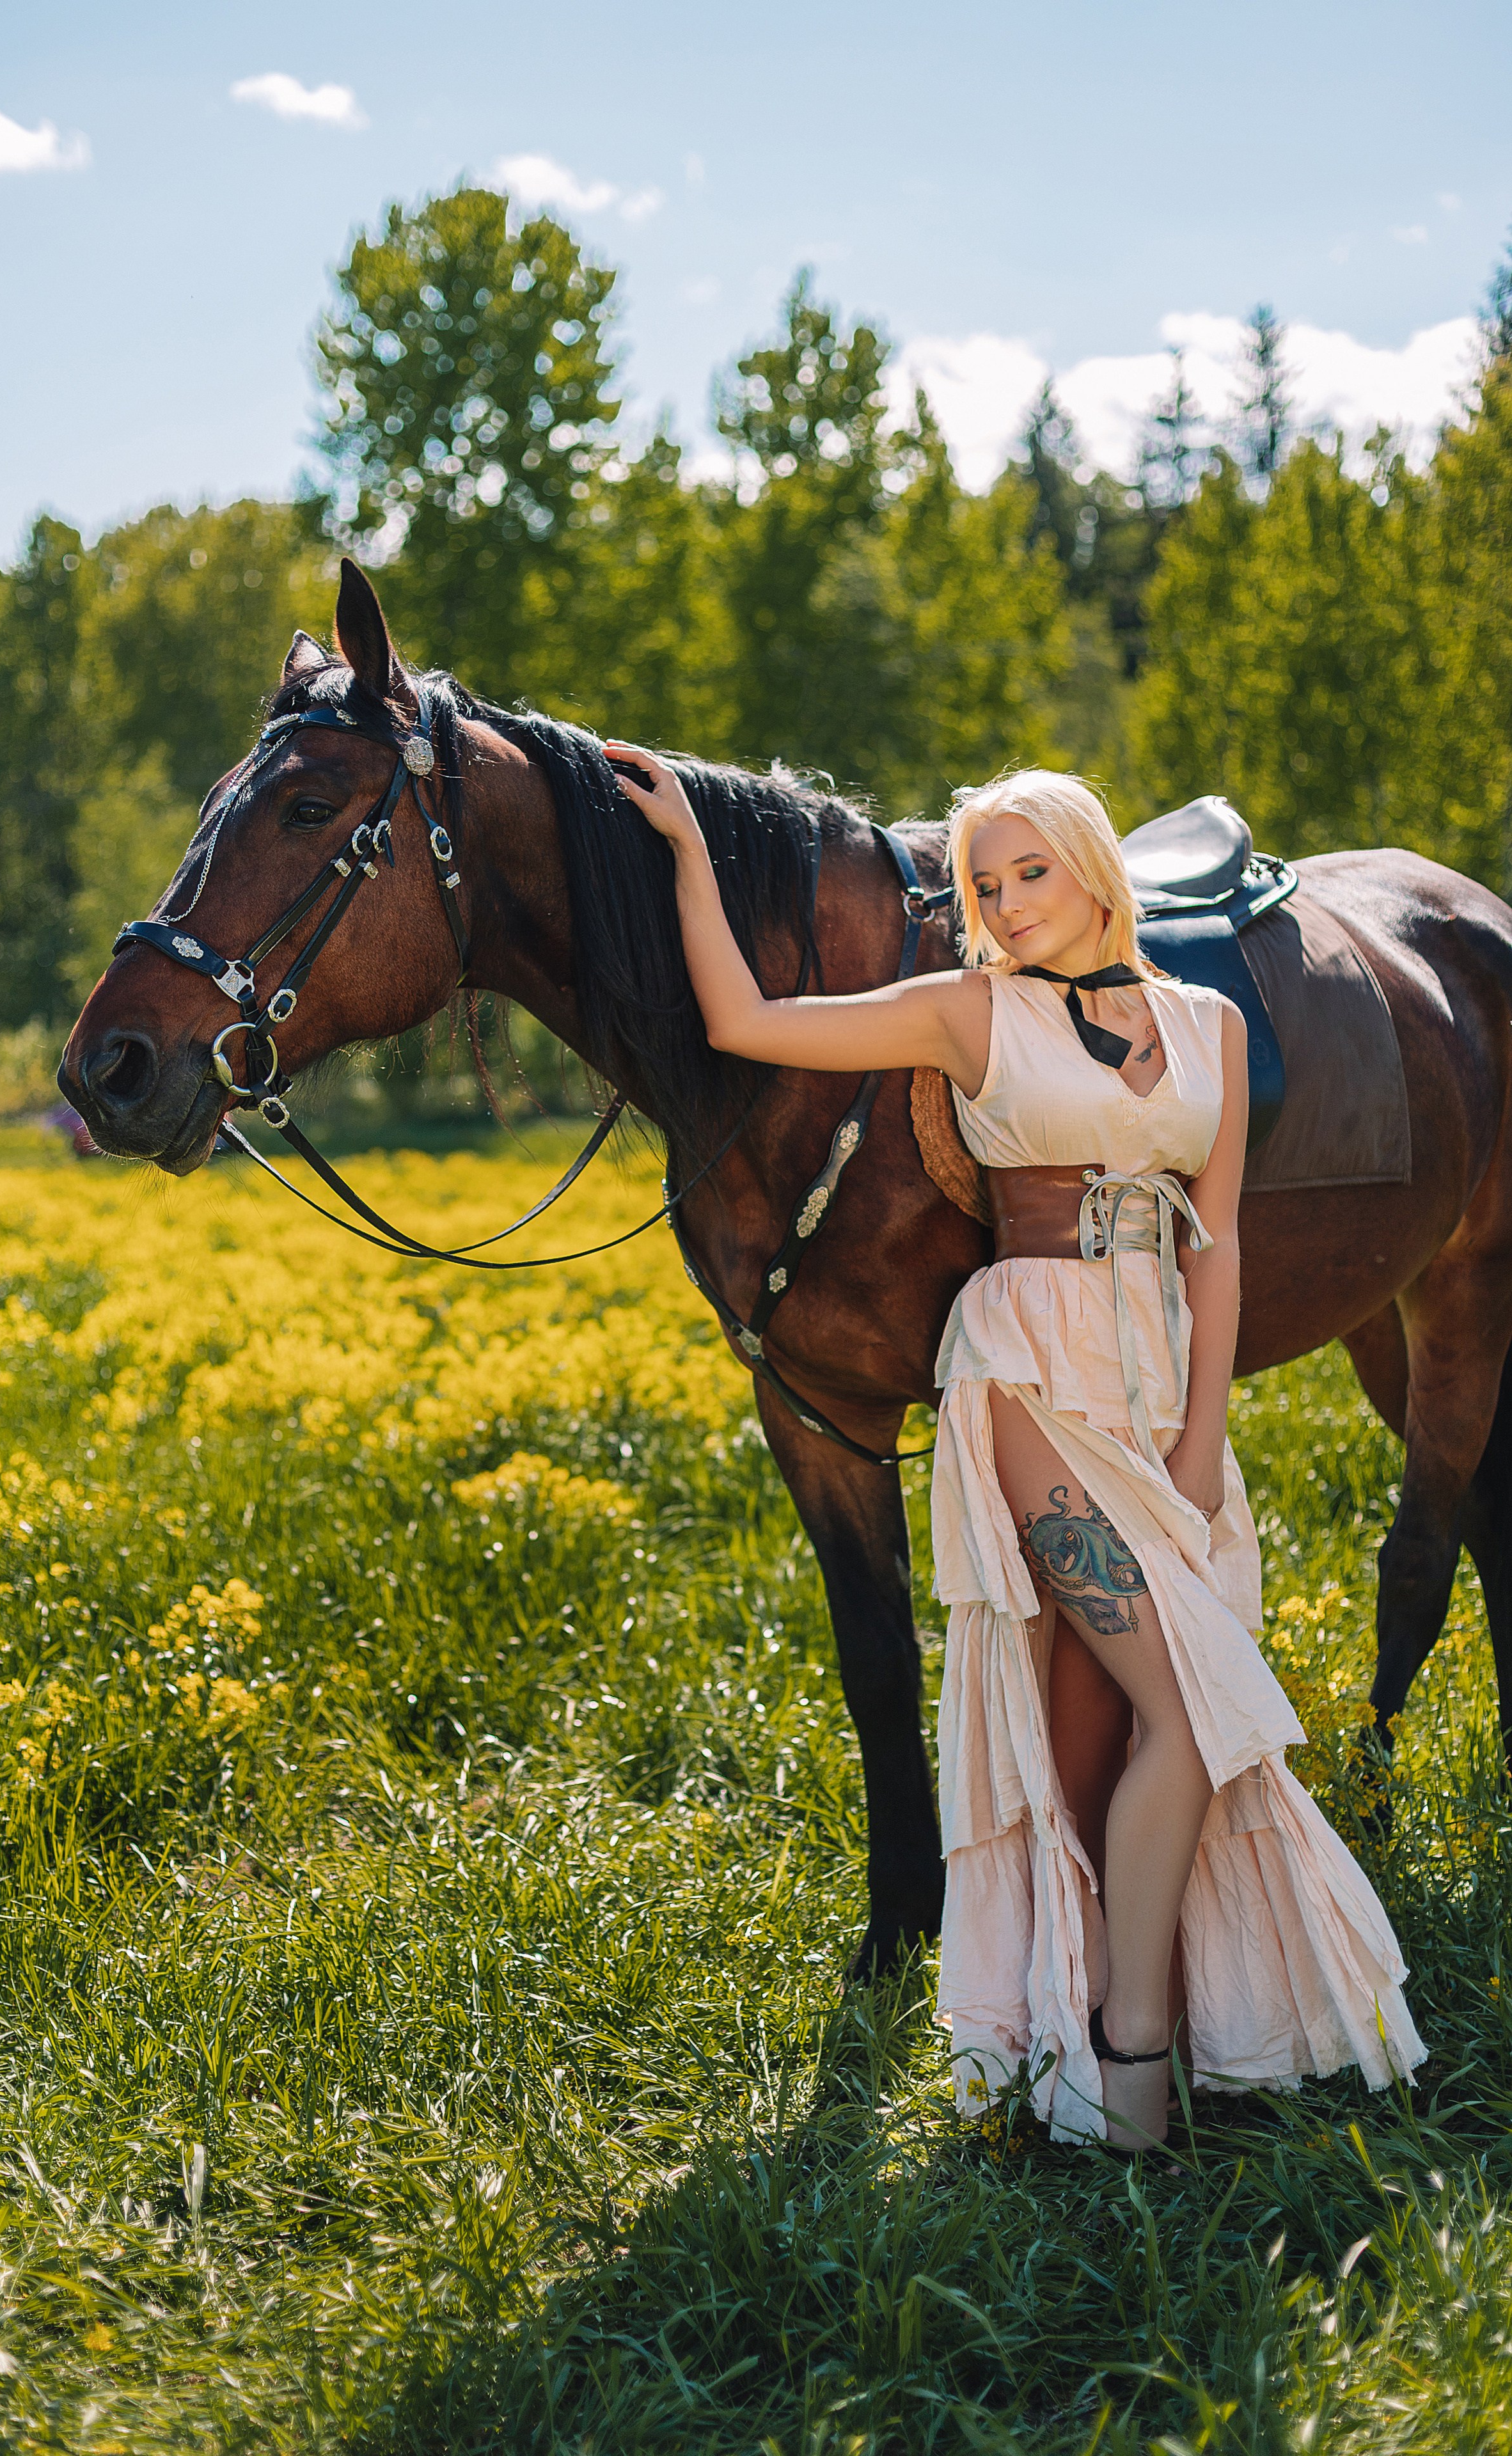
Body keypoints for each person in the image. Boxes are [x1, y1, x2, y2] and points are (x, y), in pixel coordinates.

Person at [605, 748, 1424, 2151]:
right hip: (1027, 1378)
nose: (1005, 899)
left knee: (1122, 1723)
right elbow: (742, 1018)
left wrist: (1201, 1437)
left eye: (1029, 869)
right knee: (1193, 1710)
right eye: (983, 881)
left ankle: (1105, 2052)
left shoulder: (1207, 1028)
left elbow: (1211, 1251)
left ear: (1093, 867)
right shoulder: (964, 1011)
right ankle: (1128, 2050)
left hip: (1157, 1372)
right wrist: (688, 850)